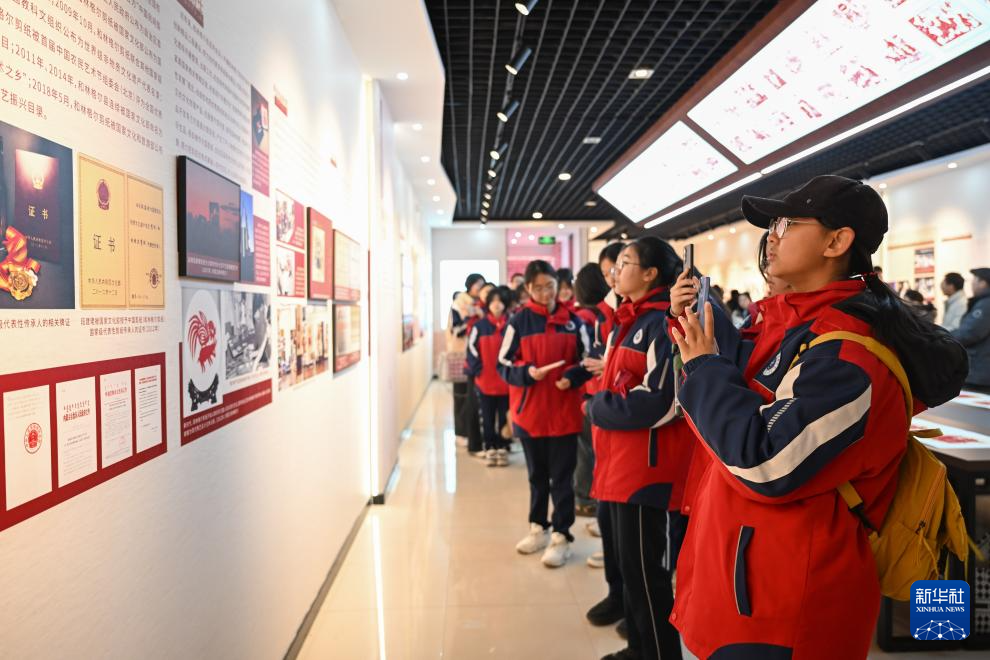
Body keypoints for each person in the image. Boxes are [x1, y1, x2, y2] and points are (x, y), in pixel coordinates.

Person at [667, 175, 967, 659]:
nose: (771, 238)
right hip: (742, 582)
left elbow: (766, 462)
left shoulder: (848, 356)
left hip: (784, 609)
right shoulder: (794, 325)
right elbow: (745, 378)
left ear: (837, 242)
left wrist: (703, 367)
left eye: (786, 224)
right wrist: (698, 331)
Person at [586, 237, 693, 660]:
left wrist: (598, 406)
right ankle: (637, 649)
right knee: (630, 570)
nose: (616, 271)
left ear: (650, 274)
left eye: (625, 262)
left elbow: (661, 401)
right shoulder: (626, 321)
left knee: (649, 577)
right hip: (618, 465)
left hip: (647, 473)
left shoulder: (663, 324)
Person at [498, 260, 593, 568]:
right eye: (537, 288)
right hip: (530, 414)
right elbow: (503, 364)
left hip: (564, 414)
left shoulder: (575, 322)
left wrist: (572, 377)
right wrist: (527, 372)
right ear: (527, 289)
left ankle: (562, 535)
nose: (545, 293)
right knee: (537, 477)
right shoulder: (518, 322)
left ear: (558, 285)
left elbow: (589, 360)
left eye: (550, 286)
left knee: (562, 479)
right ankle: (538, 528)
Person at [572, 263, 612, 518]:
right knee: (591, 448)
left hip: (589, 389)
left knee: (586, 448)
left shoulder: (585, 316)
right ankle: (588, 497)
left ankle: (585, 497)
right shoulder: (601, 315)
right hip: (602, 388)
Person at [467, 286, 513, 467]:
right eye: (493, 301)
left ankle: (503, 447)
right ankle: (490, 447)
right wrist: (479, 369)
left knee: (504, 416)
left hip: (505, 381)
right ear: (488, 304)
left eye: (500, 301)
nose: (496, 304)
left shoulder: (511, 325)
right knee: (486, 417)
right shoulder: (479, 326)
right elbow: (471, 350)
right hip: (485, 381)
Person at [952, 268, 990, 392]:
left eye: (974, 281)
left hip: (980, 372)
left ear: (983, 283)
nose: (972, 284)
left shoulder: (985, 305)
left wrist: (944, 337)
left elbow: (969, 333)